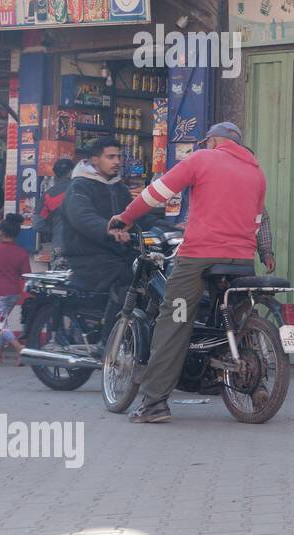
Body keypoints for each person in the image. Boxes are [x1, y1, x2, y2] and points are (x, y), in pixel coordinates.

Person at [109, 122, 267, 424]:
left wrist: (125, 217)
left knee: (174, 321)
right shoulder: (256, 172)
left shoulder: (202, 159)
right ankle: (253, 386)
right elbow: (257, 221)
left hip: (199, 256)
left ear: (213, 141)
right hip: (242, 260)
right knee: (236, 317)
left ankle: (154, 403)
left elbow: (158, 193)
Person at [61, 138, 149, 339]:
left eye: (119, 156)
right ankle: (110, 341)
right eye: (110, 157)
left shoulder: (118, 187)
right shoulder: (79, 186)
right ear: (94, 160)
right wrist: (106, 228)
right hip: (87, 255)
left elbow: (135, 216)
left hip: (115, 251)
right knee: (127, 278)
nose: (117, 161)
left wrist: (173, 228)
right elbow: (81, 216)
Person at [0, 214, 30, 365]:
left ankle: (19, 349)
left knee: (0, 324)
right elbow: (26, 274)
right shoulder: (22, 252)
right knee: (2, 322)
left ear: (1, 233)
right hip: (14, 293)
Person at [33, 158, 76, 256]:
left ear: (55, 174)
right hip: (85, 248)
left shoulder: (48, 196)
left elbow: (37, 224)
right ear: (71, 172)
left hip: (60, 246)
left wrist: (56, 228)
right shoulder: (82, 189)